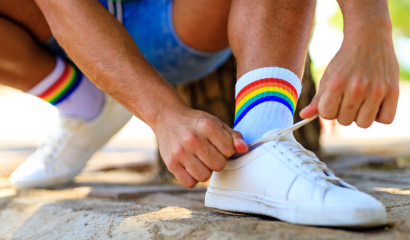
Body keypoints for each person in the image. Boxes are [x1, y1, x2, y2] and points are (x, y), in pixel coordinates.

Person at [0, 0, 399, 227]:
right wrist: (164, 116)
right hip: (65, 29)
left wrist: (370, 28)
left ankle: (262, 132)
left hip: (177, 19)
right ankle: (83, 102)